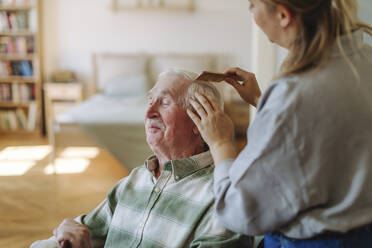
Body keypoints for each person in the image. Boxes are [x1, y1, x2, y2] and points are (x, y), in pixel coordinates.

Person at [186, 0, 372, 247]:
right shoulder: (364, 58)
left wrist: (221, 143)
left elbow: (237, 211)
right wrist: (261, 100)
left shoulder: (293, 94)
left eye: (252, 5)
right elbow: (325, 128)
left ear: (283, 15)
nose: (251, 12)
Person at [30, 69, 253, 248]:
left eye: (165, 102)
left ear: (200, 121)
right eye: (149, 101)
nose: (148, 113)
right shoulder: (134, 180)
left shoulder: (221, 196)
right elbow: (83, 229)